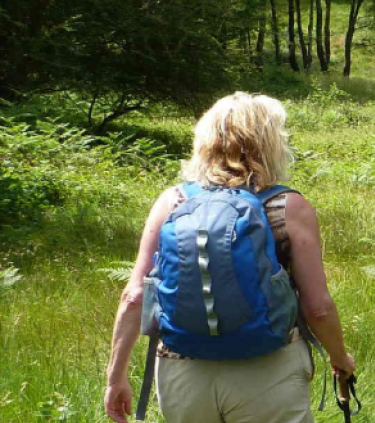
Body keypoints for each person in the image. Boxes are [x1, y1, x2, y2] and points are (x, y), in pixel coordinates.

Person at [104, 92, 356, 423]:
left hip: (183, 371)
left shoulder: (172, 202)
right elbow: (318, 308)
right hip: (268, 369)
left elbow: (135, 296)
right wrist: (340, 359)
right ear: (271, 143)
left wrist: (115, 376)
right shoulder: (287, 207)